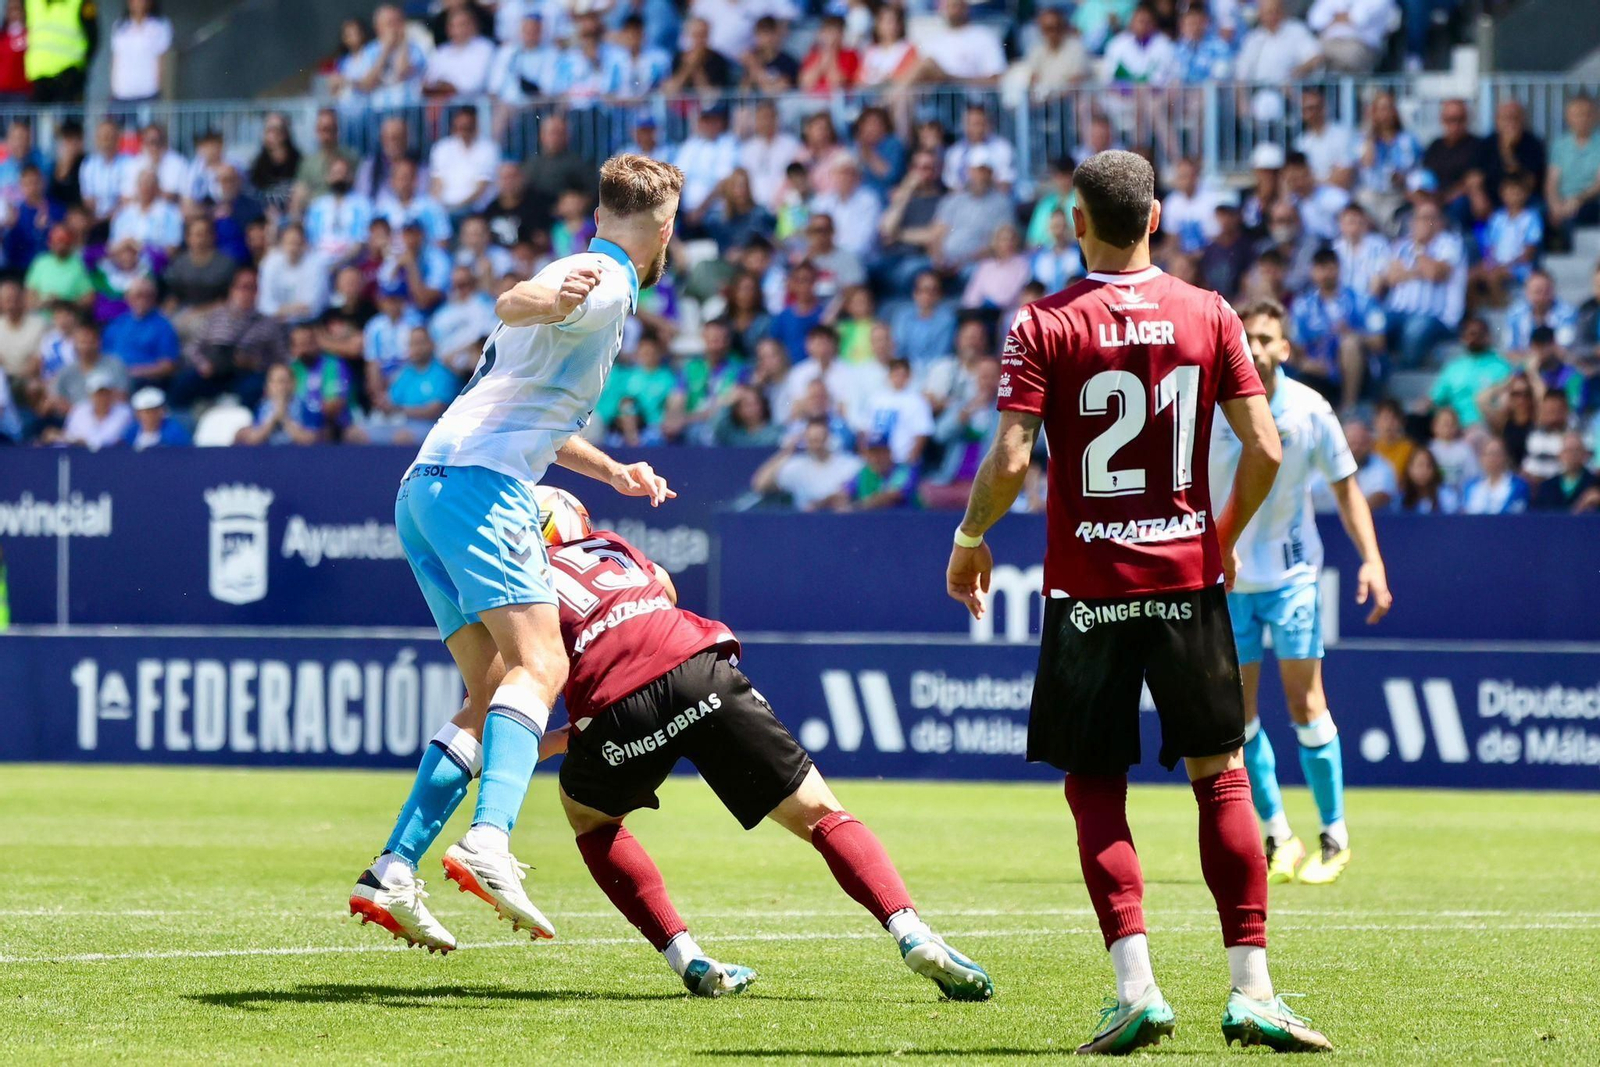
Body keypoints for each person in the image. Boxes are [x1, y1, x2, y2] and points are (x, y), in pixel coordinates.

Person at [944, 150, 1328, 1053]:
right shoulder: (1210, 311)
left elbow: (1009, 460)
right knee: (1220, 775)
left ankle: (1137, 988)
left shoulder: (1042, 322)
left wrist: (967, 541)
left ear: (1077, 222)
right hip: (1186, 579)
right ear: (1154, 218)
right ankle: (1254, 990)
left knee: (1095, 788)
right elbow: (1265, 447)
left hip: (1086, 587)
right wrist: (1220, 536)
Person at [348, 155, 684, 953]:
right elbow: (514, 299)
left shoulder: (577, 271)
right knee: (544, 667)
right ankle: (488, 839)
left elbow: (535, 409)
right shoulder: (606, 281)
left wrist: (615, 470)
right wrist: (538, 296)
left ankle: (392, 868)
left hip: (424, 487)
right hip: (478, 485)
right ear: (664, 226)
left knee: (492, 687)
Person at [469, 487, 992, 996]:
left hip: (614, 711)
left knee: (590, 819)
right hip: (696, 669)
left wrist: (511, 751)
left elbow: (518, 706)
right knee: (821, 813)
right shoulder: (612, 544)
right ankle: (913, 933)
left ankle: (687, 957)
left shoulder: (520, 592)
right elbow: (665, 593)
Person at [1210, 298, 1392, 889]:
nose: (1257, 346)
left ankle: (1334, 836)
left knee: (1304, 704)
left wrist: (1371, 561)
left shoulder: (1310, 409)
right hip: (1229, 581)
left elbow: (1346, 489)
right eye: (1248, 336)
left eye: (1266, 337)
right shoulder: (1208, 406)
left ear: (1284, 347)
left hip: (1291, 578)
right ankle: (1278, 836)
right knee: (1238, 717)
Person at [24, 0, 98, 103]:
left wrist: (83, 66)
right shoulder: (32, 2)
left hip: (70, 76)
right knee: (29, 116)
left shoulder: (81, 2)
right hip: (38, 78)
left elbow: (93, 37)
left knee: (70, 115)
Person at [109, 0, 171, 103]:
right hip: (121, 93)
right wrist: (112, 89)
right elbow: (115, 60)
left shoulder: (160, 26)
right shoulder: (120, 26)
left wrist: (160, 89)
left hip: (148, 92)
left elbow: (163, 60)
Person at [1532, 432, 1600, 512]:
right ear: (1560, 455)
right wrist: (1580, 505)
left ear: (1585, 454)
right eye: (1568, 451)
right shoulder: (1547, 486)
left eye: (1576, 450)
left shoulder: (1596, 484)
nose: (1572, 455)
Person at [1460, 437, 1530, 514]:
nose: (1492, 459)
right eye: (1488, 454)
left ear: (1506, 457)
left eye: (1497, 454)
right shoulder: (1470, 486)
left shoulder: (1519, 485)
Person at [124, 385, 190, 449]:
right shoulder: (132, 432)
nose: (150, 416)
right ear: (137, 414)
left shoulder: (175, 433)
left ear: (162, 411)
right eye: (146, 412)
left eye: (154, 411)